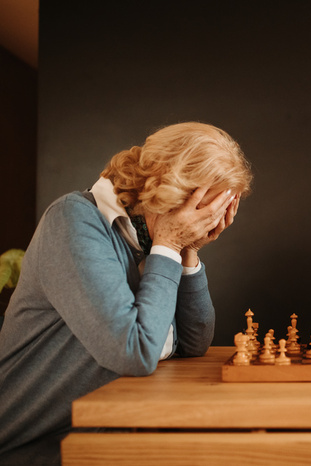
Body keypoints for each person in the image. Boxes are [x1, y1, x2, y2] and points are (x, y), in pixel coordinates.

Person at [0, 122, 253, 465]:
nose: (205, 224)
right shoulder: (74, 221)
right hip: (33, 450)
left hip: (99, 439)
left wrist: (188, 249)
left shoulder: (148, 239)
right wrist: (170, 243)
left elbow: (194, 342)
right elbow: (133, 352)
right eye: (201, 212)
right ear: (168, 191)